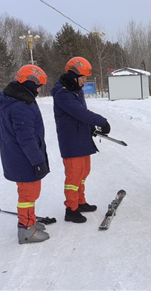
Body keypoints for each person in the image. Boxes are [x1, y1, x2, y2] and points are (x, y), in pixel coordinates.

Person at [50, 57, 111, 224]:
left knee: (83, 173)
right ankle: (71, 209)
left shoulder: (76, 90)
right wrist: (101, 121)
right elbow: (79, 112)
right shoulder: (63, 94)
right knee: (73, 177)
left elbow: (82, 112)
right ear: (73, 75)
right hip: (71, 141)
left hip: (81, 138)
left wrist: (90, 125)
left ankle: (80, 201)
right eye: (83, 77)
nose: (85, 81)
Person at [0, 64, 51, 244]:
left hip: (19, 157)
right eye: (38, 85)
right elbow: (26, 139)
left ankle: (30, 222)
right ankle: (27, 229)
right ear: (29, 83)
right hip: (24, 159)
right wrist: (37, 161)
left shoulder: (17, 99)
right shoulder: (20, 106)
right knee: (28, 194)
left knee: (29, 193)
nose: (39, 89)